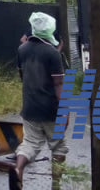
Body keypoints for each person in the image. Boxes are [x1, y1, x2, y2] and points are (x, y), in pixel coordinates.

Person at [13, 12, 66, 190]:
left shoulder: (22, 50)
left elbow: (23, 77)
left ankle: (18, 169)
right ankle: (56, 186)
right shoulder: (53, 53)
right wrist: (64, 111)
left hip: (30, 107)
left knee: (29, 144)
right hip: (51, 110)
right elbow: (58, 84)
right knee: (58, 147)